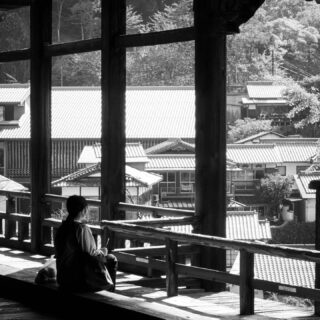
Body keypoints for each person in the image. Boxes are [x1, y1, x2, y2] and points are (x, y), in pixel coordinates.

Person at [54, 195, 117, 292]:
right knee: (111, 259)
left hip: (63, 278)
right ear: (83, 210)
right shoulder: (82, 229)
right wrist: (102, 252)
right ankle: (109, 293)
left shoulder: (62, 228)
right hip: (79, 281)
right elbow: (90, 256)